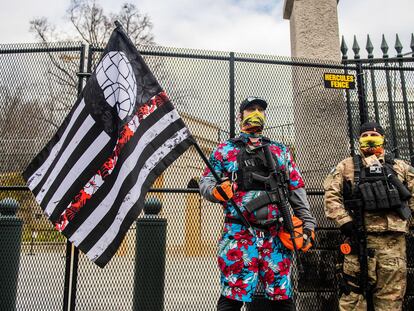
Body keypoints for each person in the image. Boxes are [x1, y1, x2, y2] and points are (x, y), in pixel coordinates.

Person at [199, 96, 316, 311]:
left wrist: (308, 225)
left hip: (276, 234)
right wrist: (216, 191)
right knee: (232, 296)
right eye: (250, 109)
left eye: (260, 110)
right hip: (239, 232)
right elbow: (205, 182)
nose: (256, 113)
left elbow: (296, 188)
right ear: (240, 116)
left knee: (282, 296)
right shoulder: (224, 150)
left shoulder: (280, 151)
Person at [323, 121, 414, 311]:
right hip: (360, 239)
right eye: (365, 135)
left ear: (383, 138)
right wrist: (344, 221)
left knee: (391, 299)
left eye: (374, 134)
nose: (369, 138)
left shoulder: (400, 167)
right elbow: (331, 196)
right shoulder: (346, 166)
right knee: (353, 297)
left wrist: (407, 222)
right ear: (358, 140)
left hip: (394, 244)